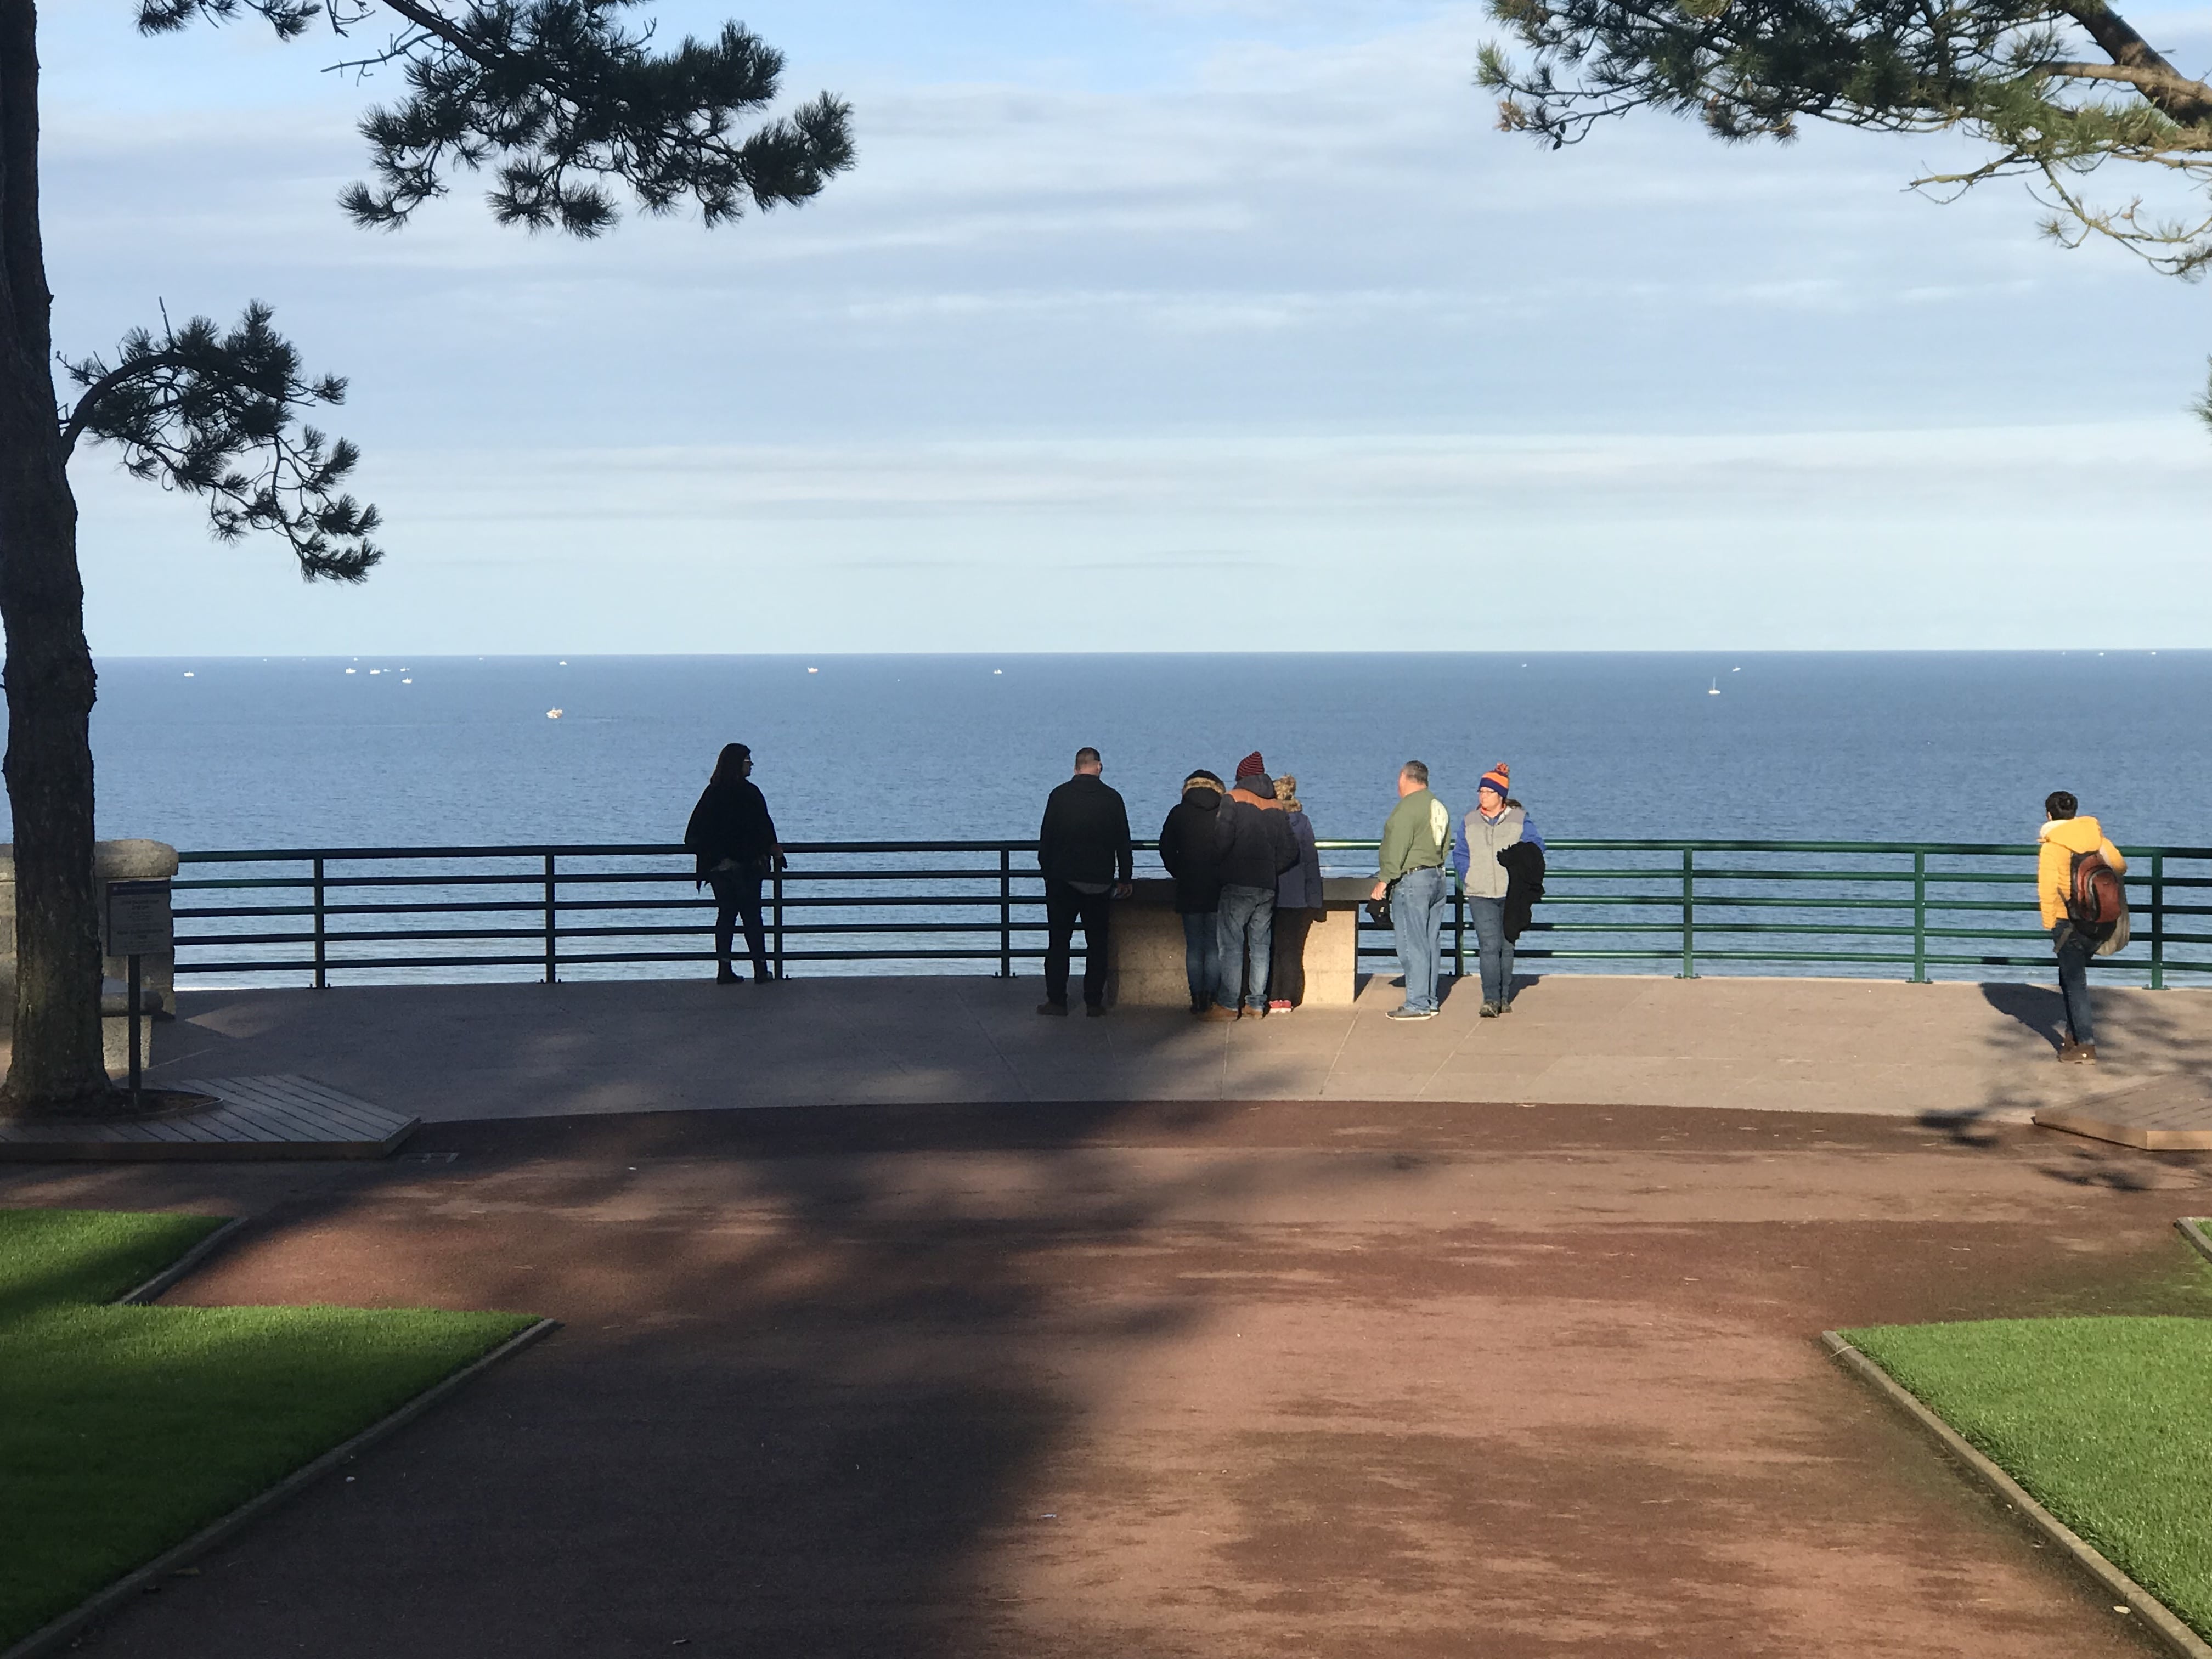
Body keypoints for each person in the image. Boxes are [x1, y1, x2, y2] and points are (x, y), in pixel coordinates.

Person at [1036, 747, 1134, 1017]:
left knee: (1059, 942)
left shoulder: (1059, 796)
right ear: (1099, 767)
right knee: (1097, 943)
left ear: (1075, 768)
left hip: (1062, 881)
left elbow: (1047, 840)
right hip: (1100, 882)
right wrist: (1125, 877)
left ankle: (1057, 1000)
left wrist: (1049, 873)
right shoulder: (1113, 799)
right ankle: (1093, 1001)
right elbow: (1122, 842)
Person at [1204, 752, 1298, 1019]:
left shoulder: (1232, 799)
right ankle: (1256, 1004)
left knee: (1232, 945)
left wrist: (1221, 868)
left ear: (1240, 777)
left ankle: (1228, 1003)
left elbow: (1221, 841)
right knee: (1260, 946)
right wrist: (1270, 867)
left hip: (1237, 882)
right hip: (1267, 886)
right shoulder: (1277, 807)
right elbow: (1291, 851)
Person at [684, 742, 784, 984]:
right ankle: (760, 968)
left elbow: (693, 835)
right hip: (749, 867)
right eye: (748, 760)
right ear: (737, 764)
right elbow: (764, 829)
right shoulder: (751, 794)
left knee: (727, 915)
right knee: (752, 917)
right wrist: (774, 852)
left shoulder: (712, 794)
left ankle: (724, 968)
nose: (751, 765)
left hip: (720, 869)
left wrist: (717, 858)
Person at [2039, 789, 2126, 1063]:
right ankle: (2073, 1038)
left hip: (2069, 922)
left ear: (2049, 815)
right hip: (2100, 920)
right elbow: (2120, 866)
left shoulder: (2053, 846)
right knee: (2070, 980)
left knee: (2075, 984)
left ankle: (2086, 1045)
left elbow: (2047, 889)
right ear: (2074, 813)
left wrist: (2050, 924)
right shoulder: (2096, 837)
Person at [1373, 760, 1452, 1020]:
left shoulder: (1407, 809)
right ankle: (1429, 1000)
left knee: (1411, 943)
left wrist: (1384, 881)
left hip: (1413, 880)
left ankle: (1416, 1003)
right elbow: (1444, 844)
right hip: (1437, 876)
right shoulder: (1438, 806)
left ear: (1405, 778)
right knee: (1431, 941)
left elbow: (1398, 847)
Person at [1453, 763, 1530, 1017]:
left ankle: (1504, 997)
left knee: (1507, 946)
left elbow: (1536, 848)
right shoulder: (1469, 821)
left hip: (1512, 893)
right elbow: (1460, 853)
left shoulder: (1520, 819)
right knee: (1489, 945)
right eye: (1481, 791)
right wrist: (1469, 876)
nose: (1482, 796)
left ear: (1500, 796)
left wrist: (1523, 877)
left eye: (1487, 791)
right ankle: (1490, 999)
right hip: (1480, 892)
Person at [1158, 769, 1230, 1013]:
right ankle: (1211, 995)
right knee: (1214, 945)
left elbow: (1165, 848)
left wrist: (1179, 871)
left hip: (1189, 885)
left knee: (1194, 945)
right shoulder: (1225, 812)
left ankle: (1196, 996)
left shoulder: (1178, 813)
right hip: (1219, 886)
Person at [1268, 773, 1324, 1012]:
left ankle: (1271, 995)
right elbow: (1312, 862)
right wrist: (1315, 899)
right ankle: (1288, 997)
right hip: (1297, 897)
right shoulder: (1303, 823)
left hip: (1272, 892)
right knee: (1292, 949)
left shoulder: (1270, 822)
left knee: (1270, 947)